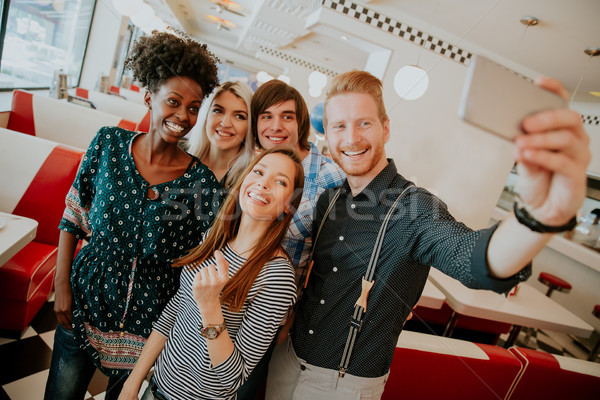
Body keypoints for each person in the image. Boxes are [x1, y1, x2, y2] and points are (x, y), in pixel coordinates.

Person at [266, 70, 591, 399]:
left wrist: (536, 218)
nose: (351, 138)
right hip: (288, 359)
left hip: (342, 386)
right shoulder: (329, 199)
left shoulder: (414, 208)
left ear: (385, 128)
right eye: (339, 126)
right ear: (329, 133)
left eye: (363, 123)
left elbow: (474, 258)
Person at [44, 31, 222, 400]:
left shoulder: (202, 182)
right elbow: (73, 215)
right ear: (149, 97)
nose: (183, 116)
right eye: (173, 102)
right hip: (85, 298)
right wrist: (61, 285)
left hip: (150, 319)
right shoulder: (108, 144)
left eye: (193, 107)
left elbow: (206, 255)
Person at [117, 147, 304, 400]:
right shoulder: (214, 239)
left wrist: (209, 306)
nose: (264, 183)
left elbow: (233, 378)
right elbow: (176, 310)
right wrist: (134, 379)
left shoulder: (277, 276)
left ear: (288, 206)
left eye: (280, 181)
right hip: (156, 388)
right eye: (259, 171)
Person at [236, 79, 346, 398]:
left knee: (241, 389)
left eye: (287, 116)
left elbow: (329, 259)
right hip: (226, 294)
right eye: (266, 116)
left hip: (271, 309)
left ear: (301, 123)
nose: (276, 126)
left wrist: (293, 313)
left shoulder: (330, 177)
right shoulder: (249, 164)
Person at [186, 81, 255, 187]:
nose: (225, 123)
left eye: (239, 116)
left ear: (250, 126)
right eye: (218, 111)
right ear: (206, 115)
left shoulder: (250, 180)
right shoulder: (177, 153)